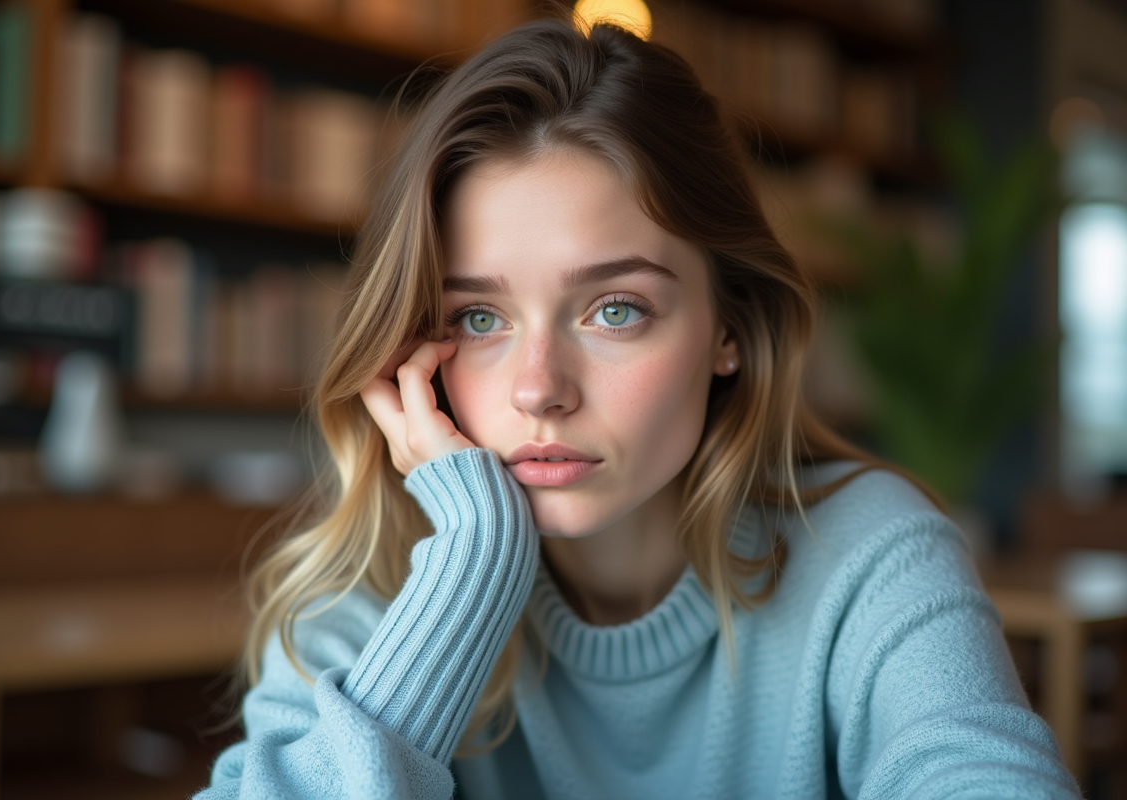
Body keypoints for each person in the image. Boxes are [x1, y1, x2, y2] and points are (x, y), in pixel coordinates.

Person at [194, 16, 1081, 800]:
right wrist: (468, 571)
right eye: (478, 319)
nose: (539, 387)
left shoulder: (864, 553)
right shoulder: (374, 590)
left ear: (729, 326)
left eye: (615, 310)